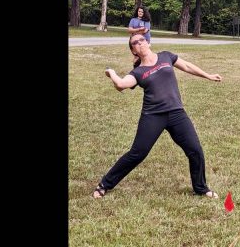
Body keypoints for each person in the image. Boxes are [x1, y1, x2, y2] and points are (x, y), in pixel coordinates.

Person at [93, 34, 222, 199]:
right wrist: (111, 72)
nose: (139, 43)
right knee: (137, 153)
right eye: (135, 43)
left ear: (148, 42)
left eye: (141, 40)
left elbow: (187, 66)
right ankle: (104, 184)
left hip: (176, 113)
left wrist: (208, 75)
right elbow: (121, 84)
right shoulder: (138, 72)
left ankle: (201, 188)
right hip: (153, 115)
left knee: (195, 150)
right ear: (134, 51)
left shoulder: (166, 56)